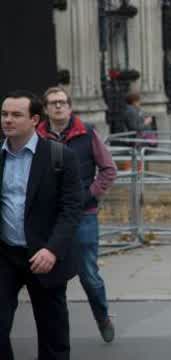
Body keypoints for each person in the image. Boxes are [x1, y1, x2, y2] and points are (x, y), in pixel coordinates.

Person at [0, 90, 83, 360]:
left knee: (53, 335)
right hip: (6, 256)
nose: (7, 120)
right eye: (4, 114)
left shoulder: (60, 156)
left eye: (16, 115)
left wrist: (52, 250)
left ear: (35, 119)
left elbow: (71, 210)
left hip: (44, 256)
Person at [38, 87, 118, 343]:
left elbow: (108, 170)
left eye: (62, 102)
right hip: (49, 216)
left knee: (88, 275)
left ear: (70, 107)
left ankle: (102, 316)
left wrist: (88, 195)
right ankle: (54, 335)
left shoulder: (87, 133)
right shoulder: (38, 136)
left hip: (84, 215)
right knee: (46, 275)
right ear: (46, 108)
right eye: (53, 103)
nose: (58, 107)